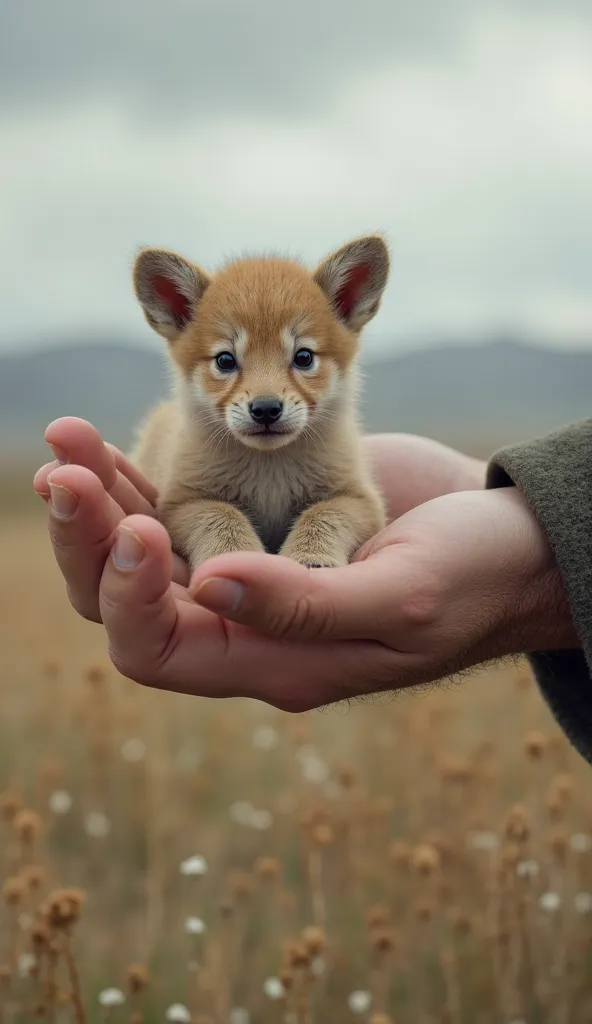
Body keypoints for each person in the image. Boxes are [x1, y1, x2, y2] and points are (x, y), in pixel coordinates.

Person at [33, 416, 592, 763]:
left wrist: (532, 539)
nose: (268, 394)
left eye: (302, 359)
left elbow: (355, 502)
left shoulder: (334, 447)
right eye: (228, 362)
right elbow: (181, 503)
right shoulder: (188, 439)